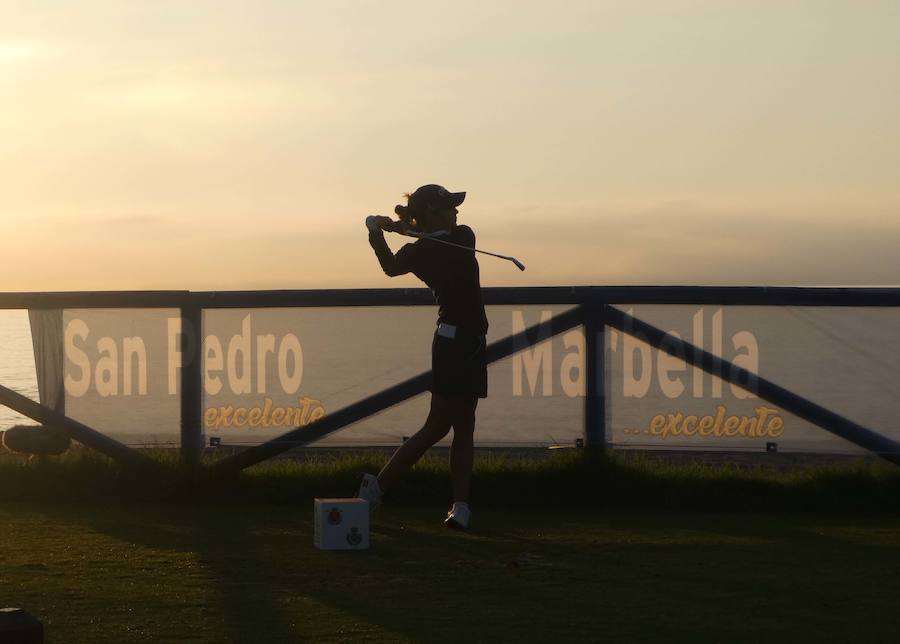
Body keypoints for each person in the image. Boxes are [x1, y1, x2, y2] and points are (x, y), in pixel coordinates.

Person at [358, 184, 489, 530]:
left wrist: (392, 229)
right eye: (448, 207)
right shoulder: (427, 249)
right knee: (437, 426)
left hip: (473, 343)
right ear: (433, 211)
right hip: (451, 343)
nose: (456, 212)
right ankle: (378, 487)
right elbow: (389, 267)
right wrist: (378, 234)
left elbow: (433, 240)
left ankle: (460, 507)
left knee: (464, 425)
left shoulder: (460, 237)